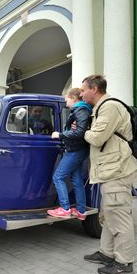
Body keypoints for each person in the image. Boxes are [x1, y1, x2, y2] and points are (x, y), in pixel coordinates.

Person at [80, 75, 137, 274]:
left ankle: (124, 263)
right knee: (108, 215)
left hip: (117, 172)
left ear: (94, 89)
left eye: (83, 90)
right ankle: (107, 253)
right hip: (110, 171)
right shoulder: (101, 108)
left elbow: (97, 137)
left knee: (120, 218)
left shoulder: (109, 107)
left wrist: (84, 131)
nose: (81, 93)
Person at [47, 88, 92, 220]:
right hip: (78, 149)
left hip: (76, 150)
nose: (66, 104)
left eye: (66, 100)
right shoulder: (81, 110)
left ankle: (65, 208)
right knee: (76, 180)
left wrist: (59, 135)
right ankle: (81, 211)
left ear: (73, 98)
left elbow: (79, 132)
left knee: (58, 177)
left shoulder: (81, 110)